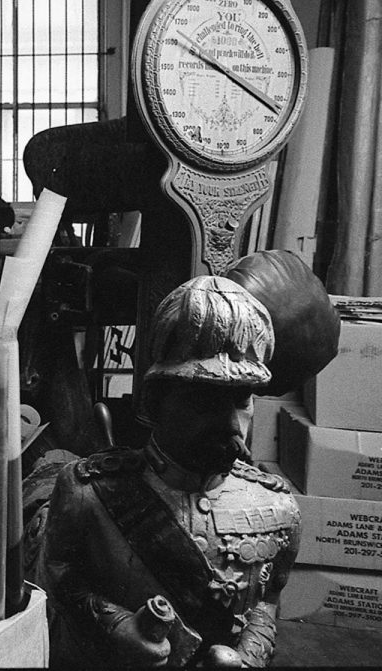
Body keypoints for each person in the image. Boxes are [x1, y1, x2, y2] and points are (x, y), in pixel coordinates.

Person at [35, 275, 300, 668]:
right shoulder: (88, 492)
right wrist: (116, 624)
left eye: (242, 399)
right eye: (204, 399)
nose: (231, 424)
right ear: (155, 400)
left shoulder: (280, 507)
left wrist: (248, 657)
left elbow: (267, 602)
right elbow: (54, 577)